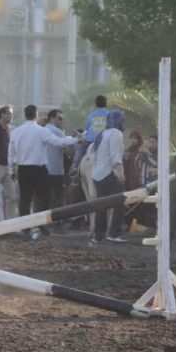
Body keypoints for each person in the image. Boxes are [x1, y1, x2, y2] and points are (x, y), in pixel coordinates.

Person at [9, 104, 78, 240]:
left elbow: (10, 153)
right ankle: (41, 225)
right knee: (43, 199)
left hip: (23, 168)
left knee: (25, 199)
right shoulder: (41, 131)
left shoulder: (16, 132)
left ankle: (26, 227)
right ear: (35, 115)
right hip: (39, 169)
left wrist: (11, 169)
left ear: (25, 114)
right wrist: (77, 139)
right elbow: (58, 142)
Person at [89, 110, 128, 245]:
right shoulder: (117, 134)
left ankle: (98, 236)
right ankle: (114, 233)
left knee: (102, 206)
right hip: (109, 174)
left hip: (97, 175)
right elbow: (115, 158)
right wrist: (120, 175)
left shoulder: (102, 133)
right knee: (119, 203)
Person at [73, 95, 108, 168]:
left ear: (95, 104)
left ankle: (75, 166)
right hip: (105, 141)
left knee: (80, 146)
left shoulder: (91, 115)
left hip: (91, 141)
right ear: (106, 104)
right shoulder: (109, 115)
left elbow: (87, 127)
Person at [45, 109, 69, 209]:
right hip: (57, 171)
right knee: (58, 198)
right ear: (52, 118)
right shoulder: (58, 132)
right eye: (59, 118)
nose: (61, 121)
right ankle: (58, 221)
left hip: (44, 170)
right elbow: (67, 151)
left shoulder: (42, 130)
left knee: (47, 197)